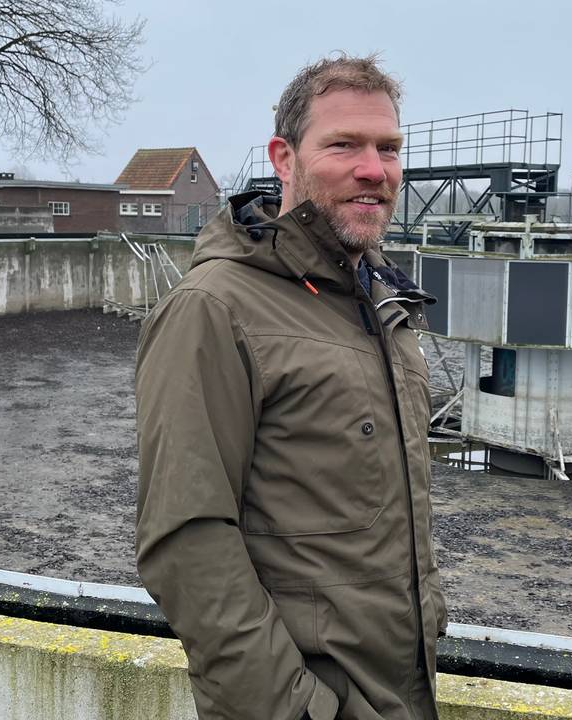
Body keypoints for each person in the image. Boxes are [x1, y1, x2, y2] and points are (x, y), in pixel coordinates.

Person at [135, 54, 445, 720]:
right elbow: (186, 540)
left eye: (389, 149)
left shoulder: (379, 302)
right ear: (284, 159)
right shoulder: (215, 308)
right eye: (344, 145)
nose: (374, 169)